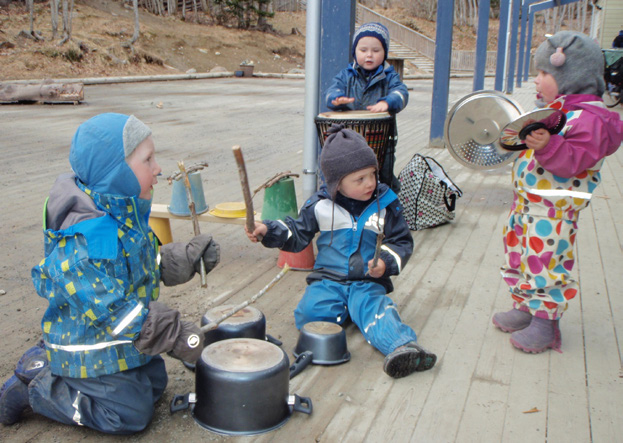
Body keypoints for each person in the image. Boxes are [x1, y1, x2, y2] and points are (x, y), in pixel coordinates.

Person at [0, 113, 220, 433]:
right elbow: (116, 312)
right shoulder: (83, 244)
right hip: (90, 344)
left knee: (155, 384)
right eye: (147, 159)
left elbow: (138, 265)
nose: (158, 167)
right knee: (128, 415)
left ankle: (58, 368)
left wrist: (182, 259)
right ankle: (38, 384)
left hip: (117, 341)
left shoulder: (122, 211)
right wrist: (172, 333)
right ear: (116, 173)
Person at [245, 124, 436, 378]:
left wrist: (385, 264)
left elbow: (402, 241)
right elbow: (297, 232)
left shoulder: (386, 203)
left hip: (367, 281)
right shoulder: (319, 205)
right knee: (309, 314)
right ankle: (347, 312)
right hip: (328, 279)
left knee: (376, 310)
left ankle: (403, 347)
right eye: (360, 179)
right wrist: (268, 230)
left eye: (372, 174)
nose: (370, 183)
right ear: (336, 183)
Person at [492, 31, 623, 353]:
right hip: (526, 205)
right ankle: (525, 307)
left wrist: (549, 145)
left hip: (554, 213)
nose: (536, 80)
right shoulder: (556, 110)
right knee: (520, 257)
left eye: (543, 73)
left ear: (571, 75)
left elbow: (575, 161)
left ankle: (546, 323)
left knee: (546, 262)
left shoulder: (591, 119)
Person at [324, 22, 409, 192]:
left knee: (383, 176)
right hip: (351, 140)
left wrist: (387, 102)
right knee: (351, 176)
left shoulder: (389, 76)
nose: (369, 55)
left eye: (376, 51)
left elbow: (401, 94)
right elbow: (331, 92)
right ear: (355, 52)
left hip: (382, 139)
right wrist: (336, 99)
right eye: (363, 50)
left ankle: (389, 206)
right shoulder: (345, 76)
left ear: (384, 52)